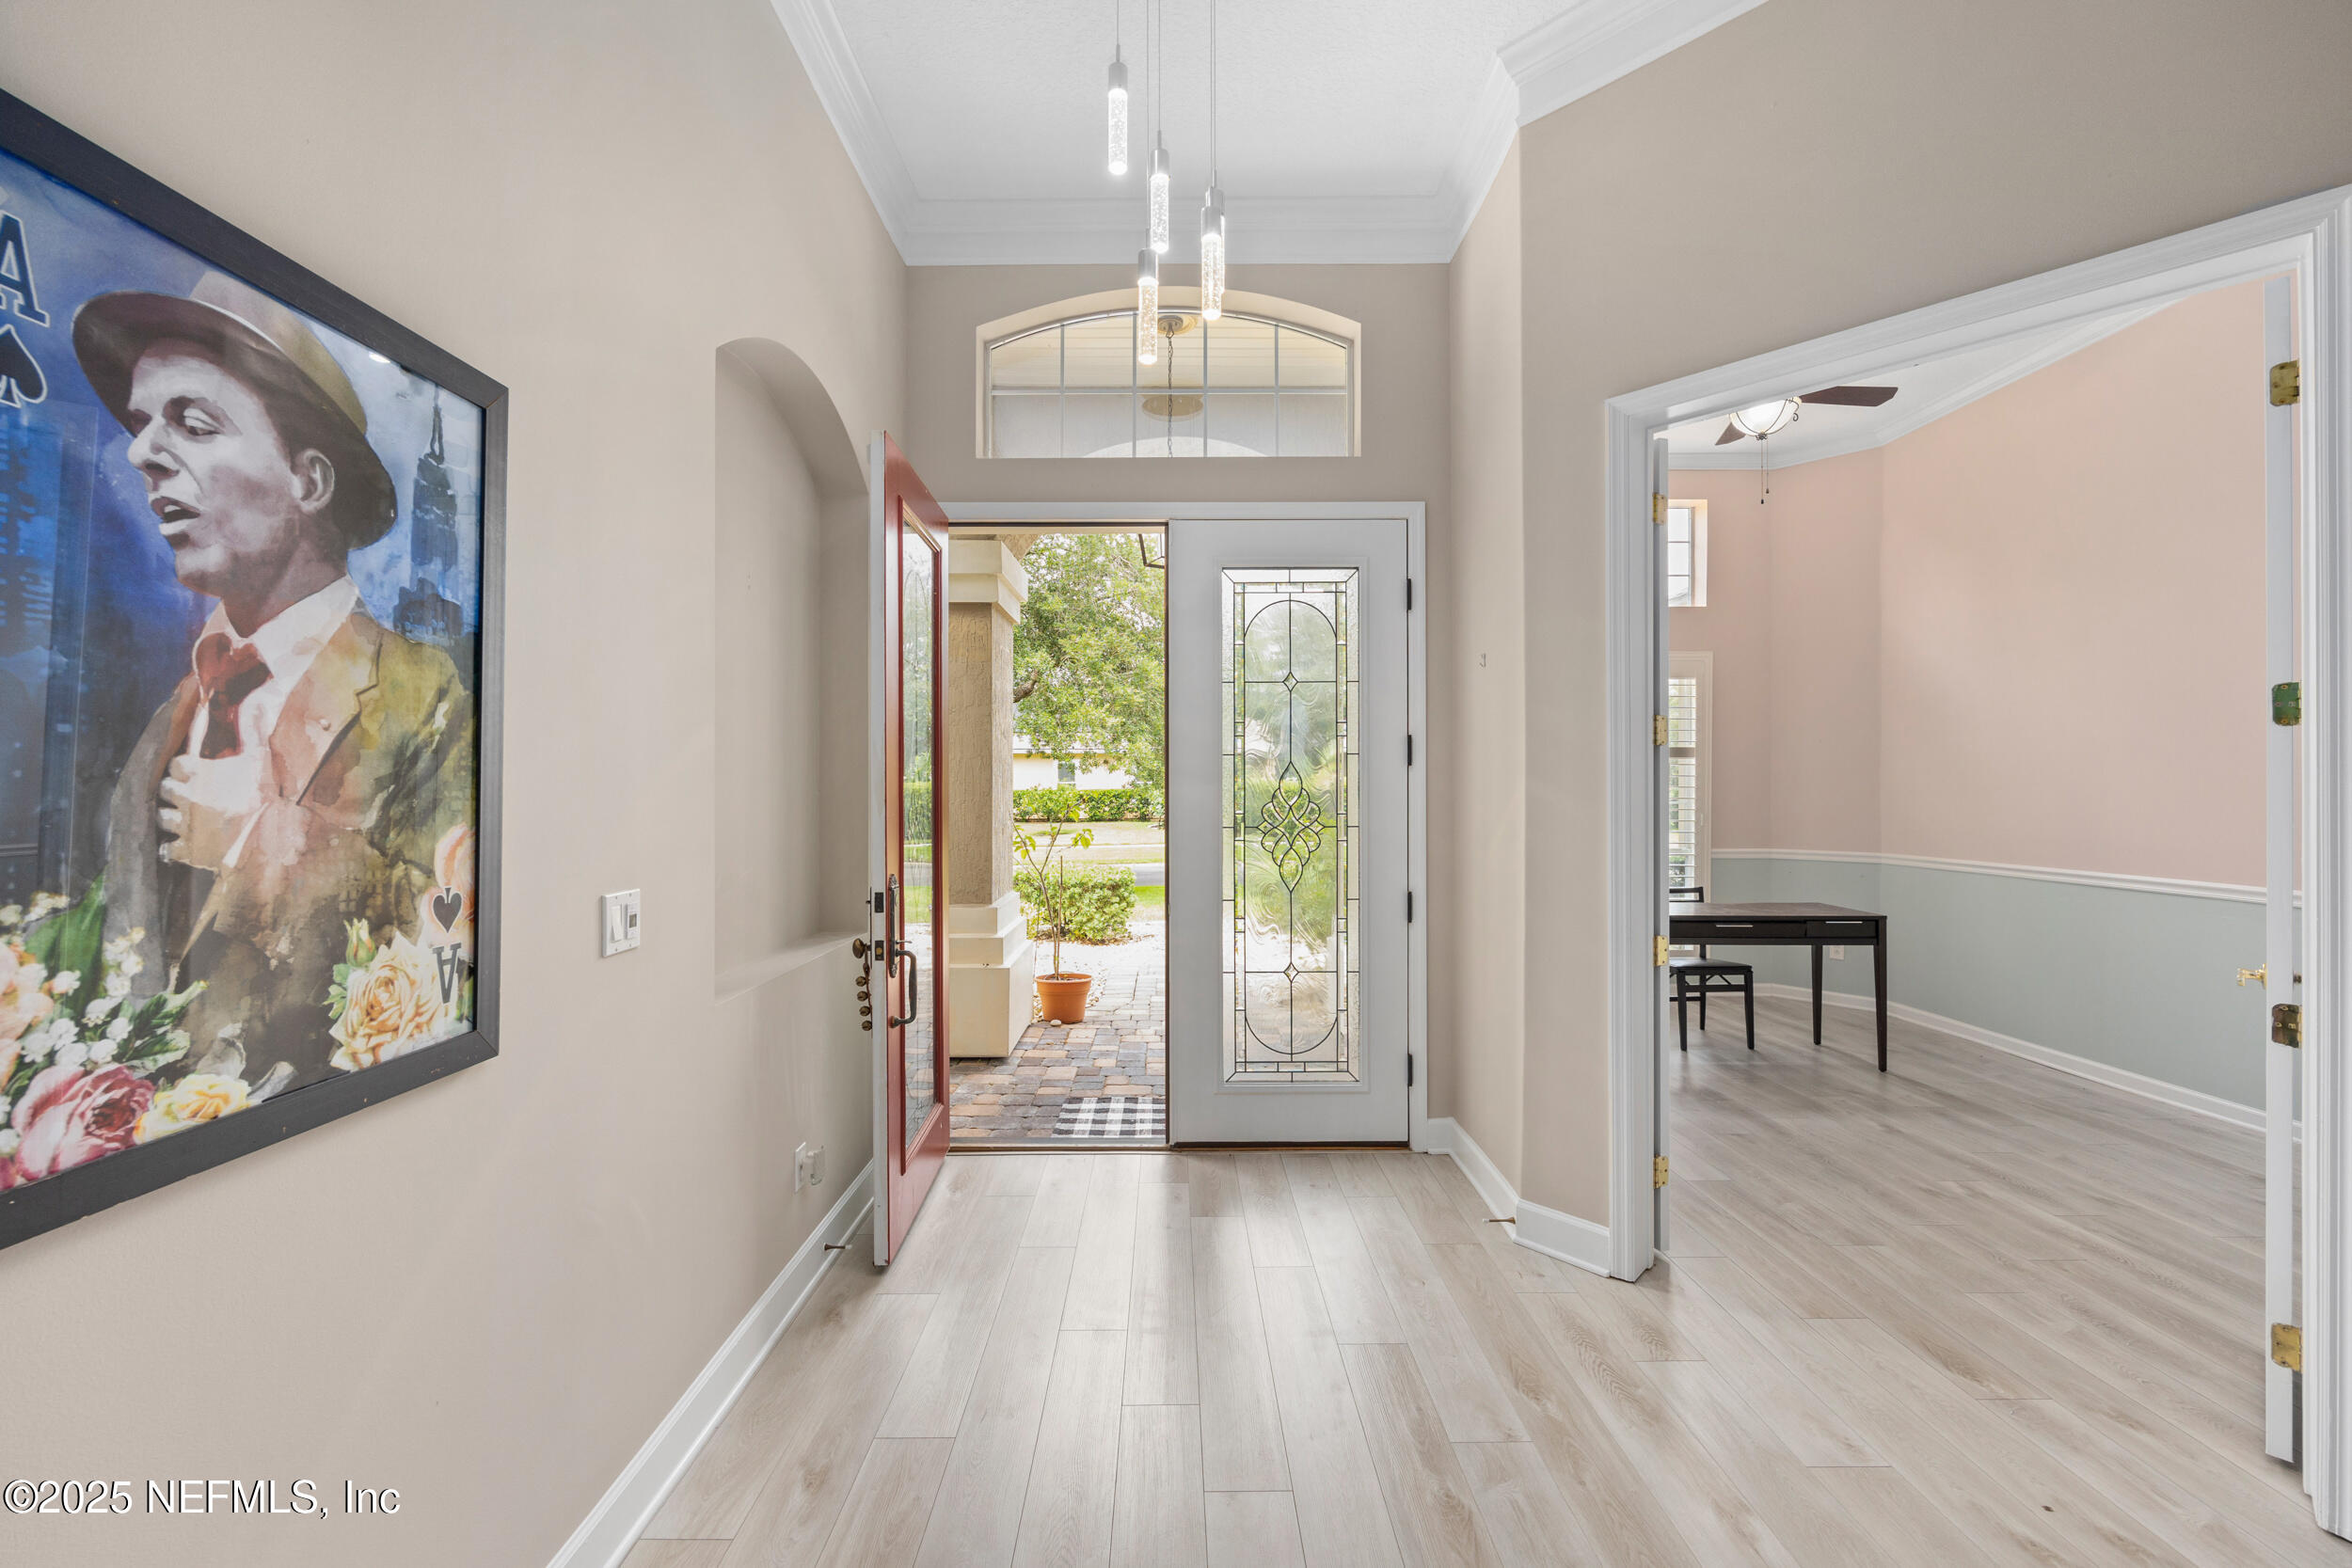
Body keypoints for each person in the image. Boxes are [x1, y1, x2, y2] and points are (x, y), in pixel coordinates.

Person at [71, 272, 473, 1088]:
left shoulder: (423, 692)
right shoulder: (166, 718)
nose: (142, 453)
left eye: (193, 421)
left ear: (310, 482)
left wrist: (252, 845)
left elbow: (455, 928)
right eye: (142, 425)